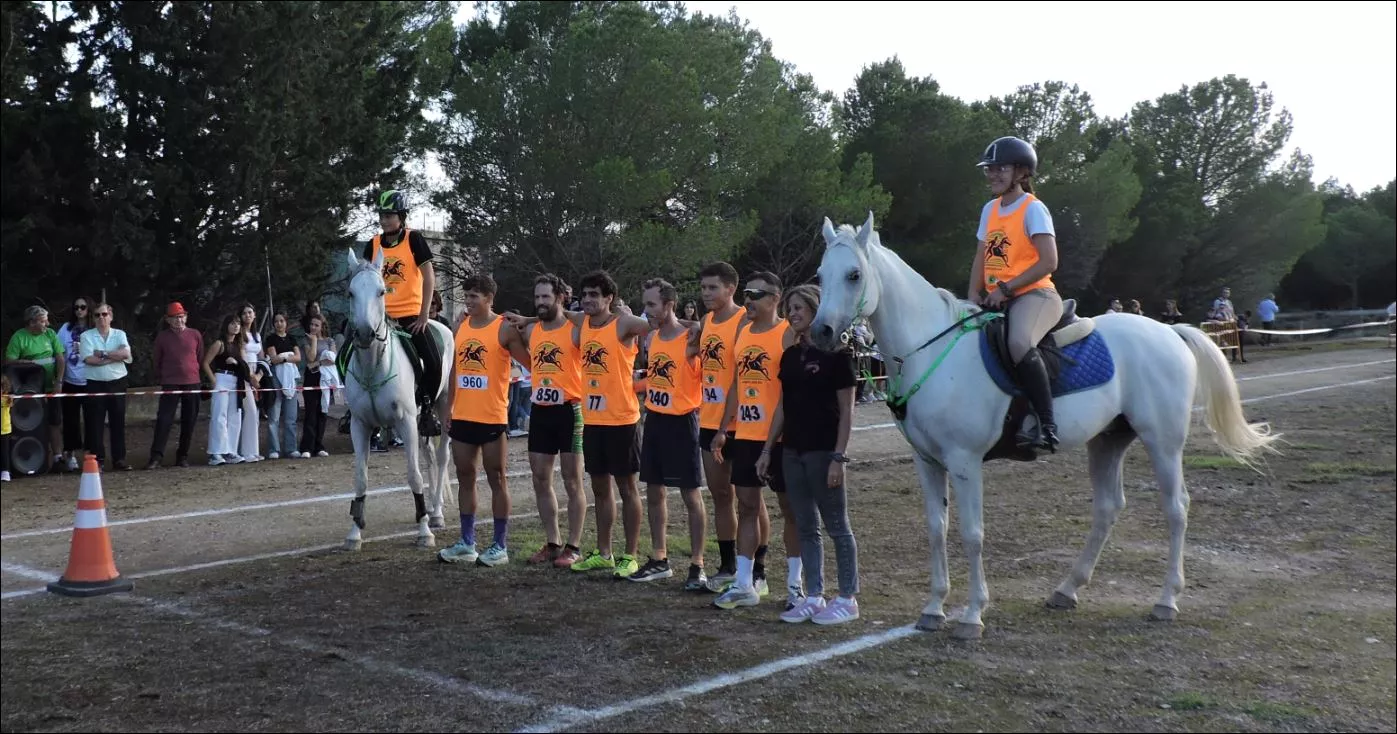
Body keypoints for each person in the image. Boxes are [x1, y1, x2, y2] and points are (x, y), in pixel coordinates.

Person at [760, 284, 862, 625]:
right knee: (806, 526)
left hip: (823, 451)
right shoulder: (790, 356)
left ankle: (847, 597)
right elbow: (783, 407)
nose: (793, 313)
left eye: (800, 307)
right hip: (793, 450)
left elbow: (847, 412)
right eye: (790, 308)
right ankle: (815, 595)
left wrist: (838, 457)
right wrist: (767, 449)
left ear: (817, 310)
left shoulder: (838, 356)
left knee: (837, 526)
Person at [712, 272, 801, 610]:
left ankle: (795, 586)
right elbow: (735, 384)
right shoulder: (743, 333)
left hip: (780, 438)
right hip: (746, 436)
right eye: (746, 293)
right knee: (746, 506)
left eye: (755, 294)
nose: (747, 300)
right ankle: (744, 583)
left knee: (790, 511)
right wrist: (724, 429)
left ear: (775, 298)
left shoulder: (787, 334)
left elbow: (792, 389)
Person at [969, 135, 1063, 452]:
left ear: (1022, 172)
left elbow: (1050, 261)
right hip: (999, 297)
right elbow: (981, 257)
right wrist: (972, 296)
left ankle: (1045, 422)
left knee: (1019, 342)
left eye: (1001, 168)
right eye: (989, 169)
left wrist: (1007, 289)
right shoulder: (989, 209)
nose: (993, 174)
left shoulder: (1033, 209)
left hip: (1035, 295)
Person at [436, 274, 531, 567]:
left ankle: (499, 545)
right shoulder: (461, 327)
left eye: (474, 296)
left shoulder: (503, 329)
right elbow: (452, 372)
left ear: (489, 298)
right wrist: (448, 410)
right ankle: (467, 542)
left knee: (497, 479)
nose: (468, 301)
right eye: (467, 296)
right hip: (463, 415)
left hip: (492, 417)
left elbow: (529, 363)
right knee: (465, 477)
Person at [567, 270, 651, 578]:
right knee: (600, 488)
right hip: (593, 421)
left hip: (622, 421)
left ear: (609, 299)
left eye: (594, 295)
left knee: (627, 488)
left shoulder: (623, 324)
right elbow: (559, 313)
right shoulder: (583, 321)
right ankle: (604, 552)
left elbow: (656, 325)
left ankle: (630, 555)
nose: (588, 300)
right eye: (584, 295)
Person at [630, 277, 707, 587]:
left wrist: (687, 322)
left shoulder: (692, 336)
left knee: (691, 495)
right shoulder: (651, 338)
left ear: (669, 305)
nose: (646, 311)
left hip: (683, 422)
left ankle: (697, 564)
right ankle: (660, 558)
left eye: (651, 304)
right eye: (645, 303)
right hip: (656, 420)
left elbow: (705, 328)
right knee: (654, 491)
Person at [514, 274, 587, 568]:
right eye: (537, 297)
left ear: (560, 297)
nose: (540, 303)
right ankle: (553, 542)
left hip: (570, 410)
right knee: (540, 478)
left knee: (572, 480)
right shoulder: (531, 330)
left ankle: (574, 545)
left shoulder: (575, 329)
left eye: (546, 297)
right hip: (541, 410)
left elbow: (598, 318)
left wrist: (563, 309)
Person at [363, 189, 444, 437]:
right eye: (382, 215)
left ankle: (427, 407)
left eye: (390, 215)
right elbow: (365, 279)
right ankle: (354, 409)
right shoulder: (373, 244)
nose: (385, 219)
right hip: (381, 315)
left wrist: (423, 316)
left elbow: (429, 277)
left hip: (410, 314)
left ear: (401, 216)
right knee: (347, 351)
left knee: (433, 361)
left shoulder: (414, 239)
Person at [695, 261, 752, 592]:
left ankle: (756, 568)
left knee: (749, 500)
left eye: (713, 287)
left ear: (731, 288)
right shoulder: (705, 321)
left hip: (743, 424)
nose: (706, 294)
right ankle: (728, 565)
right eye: (703, 288)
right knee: (720, 495)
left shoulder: (745, 320)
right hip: (709, 419)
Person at [4, 305, 66, 472]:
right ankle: (27, 458)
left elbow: (60, 358)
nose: (47, 324)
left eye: (47, 321)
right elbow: (9, 362)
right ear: (31, 322)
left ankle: (58, 457)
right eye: (43, 321)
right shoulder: (19, 337)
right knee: (29, 424)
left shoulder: (51, 335)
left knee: (54, 421)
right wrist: (23, 363)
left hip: (50, 386)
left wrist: (59, 382)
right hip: (28, 390)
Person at [147, 302, 204, 469]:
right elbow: (156, 359)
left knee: (189, 421)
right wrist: (161, 376)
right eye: (175, 318)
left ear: (186, 317)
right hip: (170, 382)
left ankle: (182, 455)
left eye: (181, 317)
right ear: (168, 320)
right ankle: (156, 456)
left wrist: (193, 371)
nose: (179, 320)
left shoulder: (195, 334)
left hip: (192, 381)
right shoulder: (163, 337)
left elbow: (199, 356)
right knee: (164, 420)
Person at [79, 302, 134, 471]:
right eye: (97, 315)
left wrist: (103, 354)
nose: (101, 318)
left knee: (118, 421)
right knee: (95, 423)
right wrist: (114, 357)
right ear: (93, 318)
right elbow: (89, 360)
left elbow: (126, 354)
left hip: (117, 381)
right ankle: (98, 460)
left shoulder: (120, 334)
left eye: (104, 314)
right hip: (95, 383)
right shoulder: (86, 336)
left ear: (111, 316)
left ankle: (119, 459)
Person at [202, 314, 249, 465]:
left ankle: (231, 451)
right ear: (226, 325)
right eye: (232, 323)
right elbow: (206, 363)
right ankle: (216, 452)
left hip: (235, 381)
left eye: (238, 324)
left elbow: (244, 365)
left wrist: (237, 363)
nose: (236, 326)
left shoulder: (239, 345)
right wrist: (213, 380)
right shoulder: (219, 343)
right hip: (221, 378)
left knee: (234, 416)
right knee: (219, 416)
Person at [56, 298, 93, 471]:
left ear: (88, 309)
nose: (79, 310)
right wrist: (60, 378)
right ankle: (69, 454)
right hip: (71, 380)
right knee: (70, 420)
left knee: (91, 419)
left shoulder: (94, 328)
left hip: (91, 380)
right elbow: (59, 351)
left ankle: (90, 455)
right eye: (76, 307)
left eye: (83, 307)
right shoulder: (65, 328)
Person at [264, 312, 302, 458]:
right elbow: (273, 358)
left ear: (286, 323)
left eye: (282, 321)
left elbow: (298, 357)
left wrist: (284, 358)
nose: (279, 324)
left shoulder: (292, 338)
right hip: (276, 377)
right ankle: (274, 449)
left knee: (291, 416)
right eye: (276, 321)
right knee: (274, 415)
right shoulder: (271, 339)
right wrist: (287, 357)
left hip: (290, 376)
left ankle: (291, 448)